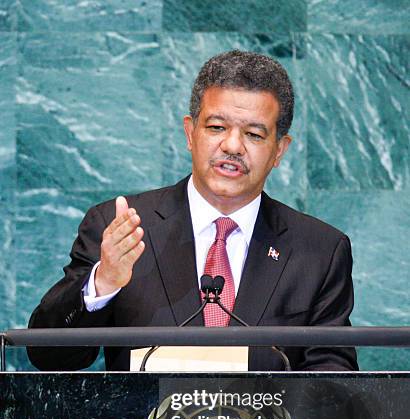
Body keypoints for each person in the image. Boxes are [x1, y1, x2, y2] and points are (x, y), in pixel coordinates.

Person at [27, 50, 358, 372]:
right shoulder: (120, 228)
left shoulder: (318, 251)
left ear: (279, 151)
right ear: (190, 133)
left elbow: (333, 376)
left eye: (254, 134)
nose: (232, 146)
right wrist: (103, 282)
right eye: (216, 128)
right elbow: (49, 356)